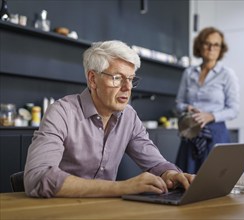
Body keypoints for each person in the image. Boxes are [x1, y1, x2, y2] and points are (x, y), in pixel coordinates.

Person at [24, 40, 195, 198]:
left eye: (130, 79)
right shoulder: (62, 112)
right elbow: (38, 177)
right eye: (117, 78)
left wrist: (171, 175)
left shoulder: (129, 116)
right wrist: (122, 187)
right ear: (92, 80)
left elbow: (156, 163)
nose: (127, 87)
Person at [175, 27, 240, 174]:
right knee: (186, 181)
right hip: (190, 132)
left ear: (221, 48)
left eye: (216, 44)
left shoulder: (227, 75)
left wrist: (210, 116)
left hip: (216, 136)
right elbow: (178, 103)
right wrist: (187, 108)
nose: (211, 48)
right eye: (207, 43)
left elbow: (234, 110)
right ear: (200, 45)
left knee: (215, 181)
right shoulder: (189, 73)